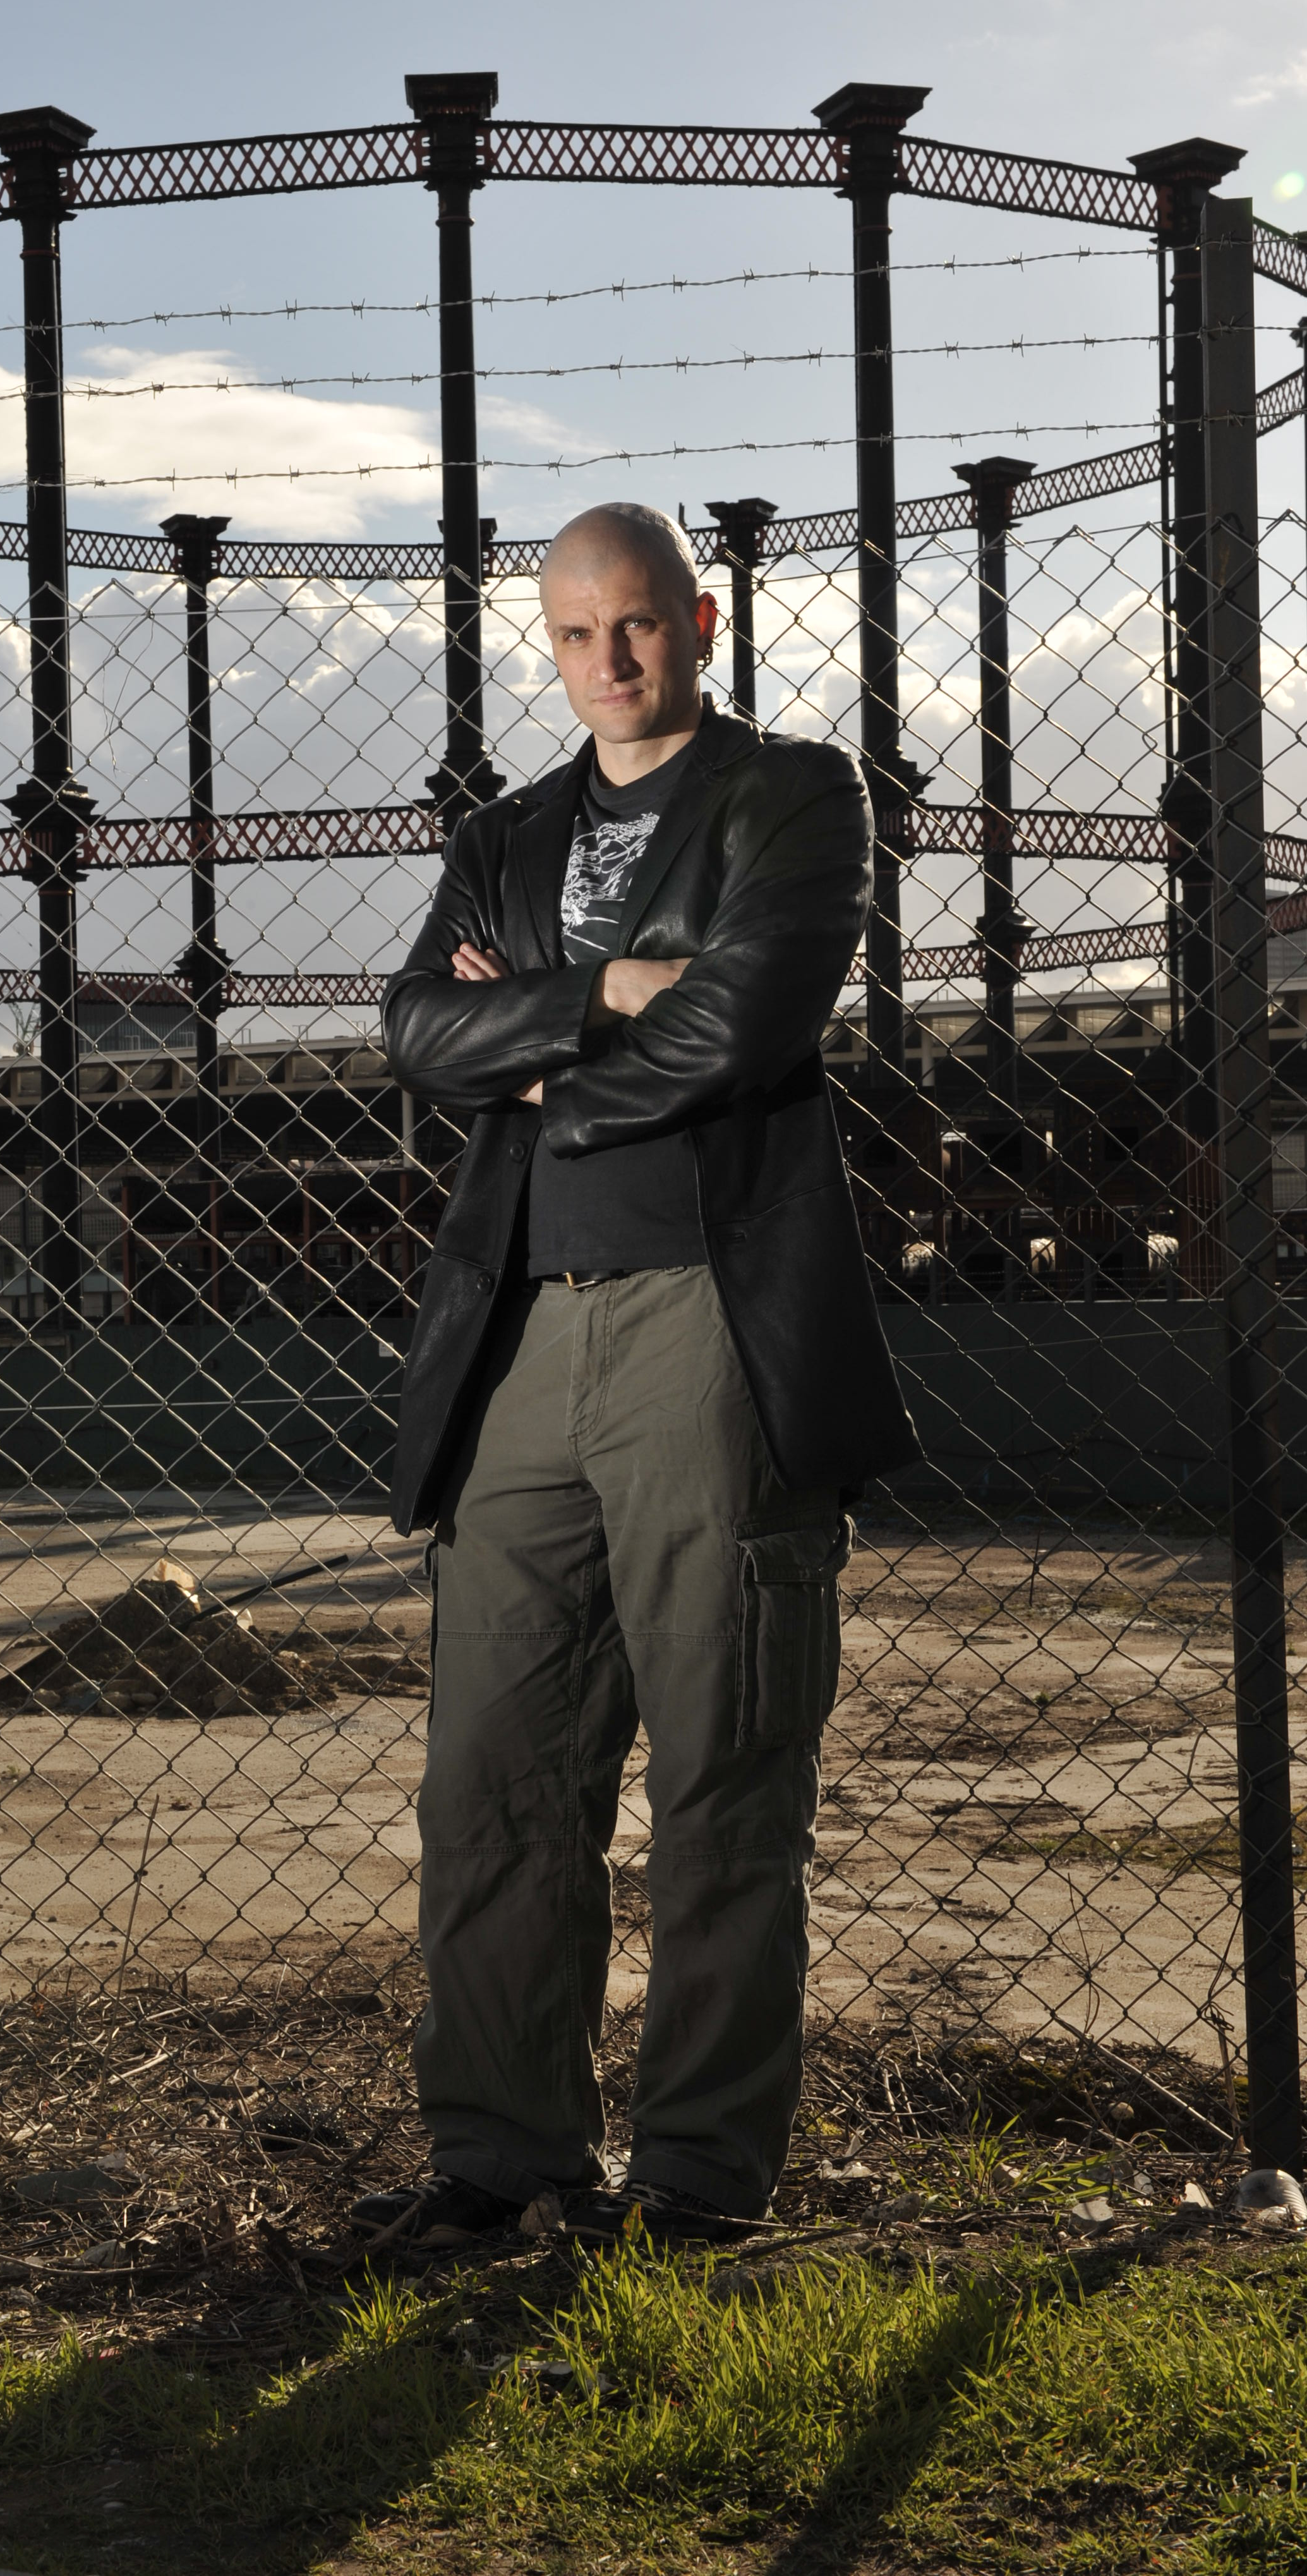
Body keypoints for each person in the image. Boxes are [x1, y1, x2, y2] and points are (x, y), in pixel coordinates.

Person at [357, 500, 917, 2250]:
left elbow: (752, 1024)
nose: (612, 660)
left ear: (704, 619)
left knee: (723, 1777)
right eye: (581, 631)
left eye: (643, 627)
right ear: (552, 641)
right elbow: (410, 1033)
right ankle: (499, 2155)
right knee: (497, 1776)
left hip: (707, 1319)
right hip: (521, 1325)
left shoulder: (796, 797)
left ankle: (693, 2181)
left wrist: (531, 1050)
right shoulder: (509, 836)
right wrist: (603, 985)